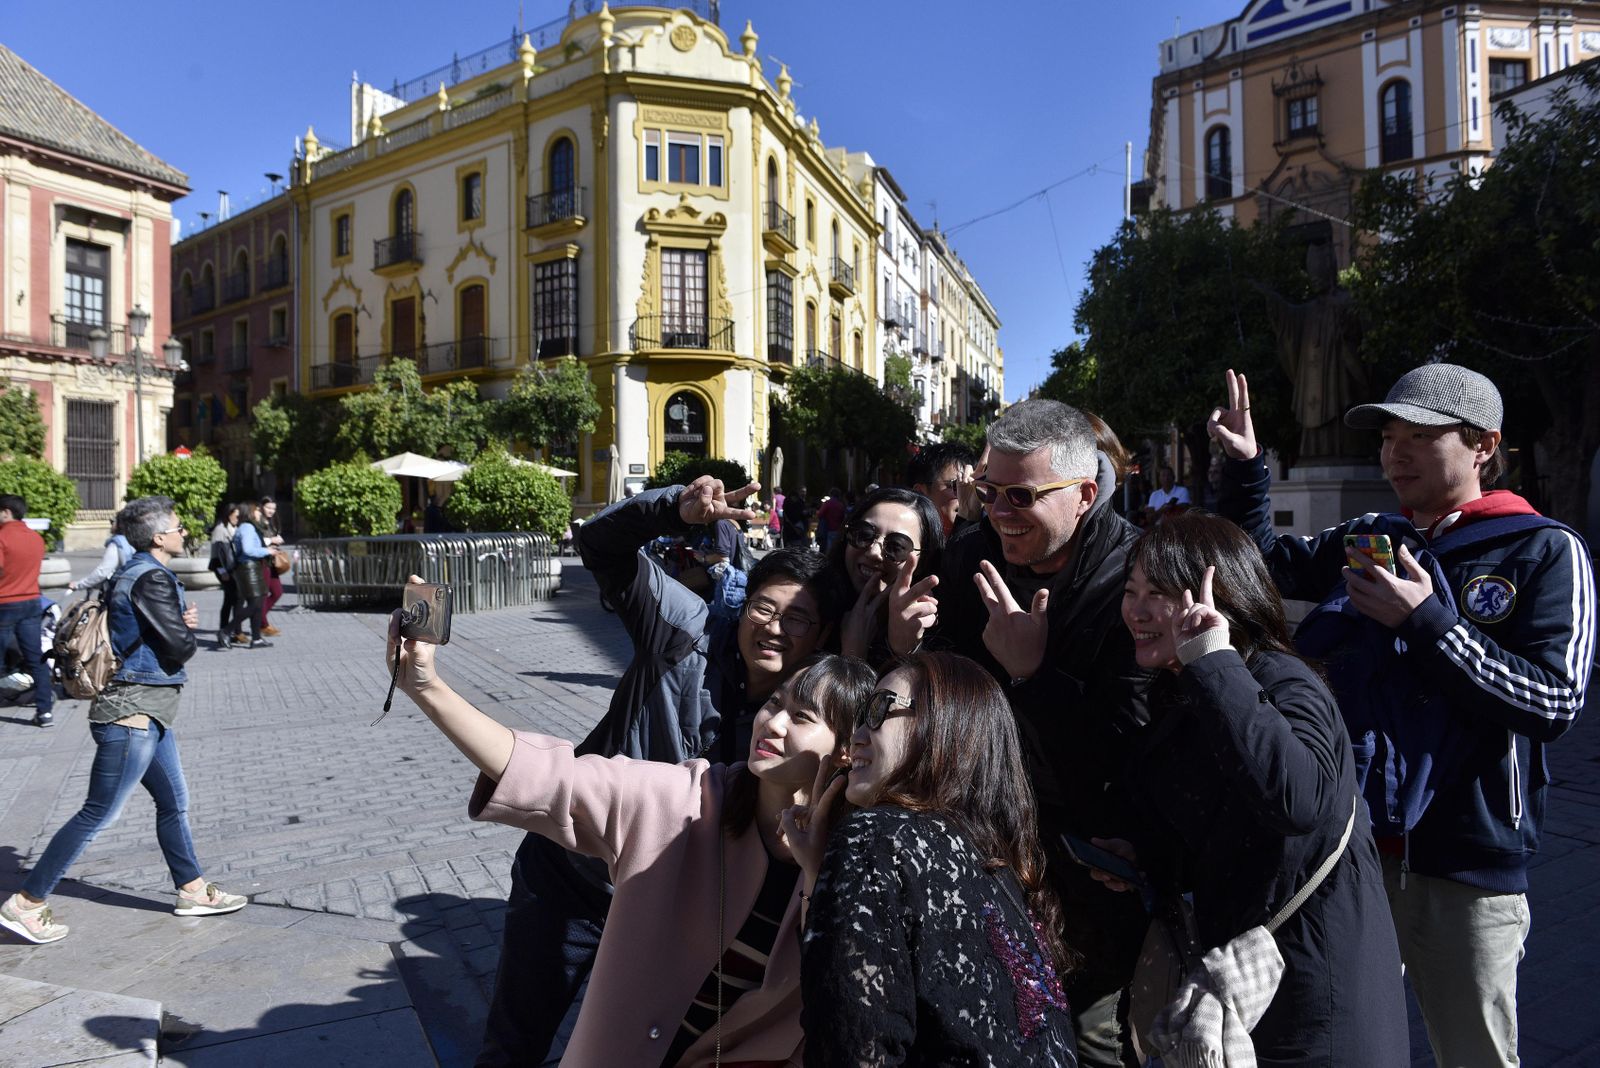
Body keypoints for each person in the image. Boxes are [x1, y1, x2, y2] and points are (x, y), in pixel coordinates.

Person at [1209, 364, 1596, 1068]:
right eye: (1389, 435)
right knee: (1349, 1046)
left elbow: (1554, 701)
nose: (1396, 452)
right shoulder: (1373, 534)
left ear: (1484, 444)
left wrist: (1430, 625)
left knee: (1473, 1053)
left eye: (1420, 434)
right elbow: (1260, 566)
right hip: (1352, 856)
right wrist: (1244, 472)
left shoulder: (1542, 550)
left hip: (1467, 869)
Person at [478, 475, 848, 1067]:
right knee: (514, 1041)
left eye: (798, 619)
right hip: (579, 881)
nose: (774, 627)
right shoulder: (685, 633)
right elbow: (600, 546)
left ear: (825, 634)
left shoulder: (809, 721)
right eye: (764, 606)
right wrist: (673, 509)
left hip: (667, 906)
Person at [391, 619, 873, 1066]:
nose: (773, 723)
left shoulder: (857, 860)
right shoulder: (688, 799)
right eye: (775, 702)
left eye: (803, 716)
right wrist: (426, 686)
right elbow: (551, 777)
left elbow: (845, 1000)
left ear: (848, 749)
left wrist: (814, 876)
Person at [1106, 510, 1407, 1064]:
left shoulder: (1279, 679)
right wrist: (1141, 856)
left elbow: (1296, 800)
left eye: (1161, 592)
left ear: (1220, 596)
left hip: (1318, 996)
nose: (1139, 611)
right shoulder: (1178, 686)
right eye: (1132, 590)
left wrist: (1214, 660)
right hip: (1243, 982)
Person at [914, 399, 1156, 1067]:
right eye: (988, 492)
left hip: (1087, 872)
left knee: (1088, 1039)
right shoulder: (969, 556)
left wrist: (1034, 675)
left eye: (1022, 495)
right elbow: (938, 699)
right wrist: (903, 645)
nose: (999, 512)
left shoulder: (1136, 578)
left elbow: (1126, 753)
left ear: (1083, 495)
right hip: (982, 847)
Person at [783, 651, 1078, 1065]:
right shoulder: (1004, 873)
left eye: (880, 709)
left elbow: (851, 1046)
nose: (857, 736)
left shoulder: (876, 837)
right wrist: (819, 872)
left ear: (947, 729)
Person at [0, 497, 247, 945]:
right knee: (99, 812)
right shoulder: (151, 576)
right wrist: (186, 627)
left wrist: (177, 621)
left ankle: (192, 890)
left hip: (150, 712)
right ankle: (26, 903)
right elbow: (179, 646)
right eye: (175, 527)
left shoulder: (131, 570)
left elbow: (149, 630)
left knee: (174, 801)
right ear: (158, 537)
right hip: (132, 713)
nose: (182, 532)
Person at [824, 486, 943, 666]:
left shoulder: (936, 633)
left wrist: (904, 650)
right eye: (864, 534)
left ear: (924, 561)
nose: (874, 552)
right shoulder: (814, 604)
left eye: (896, 546)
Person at [0, 494, 53, 728]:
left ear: (6, 511)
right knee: (35, 659)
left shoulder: (2, 537)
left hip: (4, 603)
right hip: (32, 602)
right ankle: (45, 712)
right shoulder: (36, 538)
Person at [907, 440, 979, 537]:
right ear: (920, 493)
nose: (967, 493)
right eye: (956, 485)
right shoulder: (907, 545)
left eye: (973, 485)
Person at [228, 504, 274, 649]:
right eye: (257, 510)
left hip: (253, 567)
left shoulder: (248, 526)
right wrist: (267, 551)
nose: (259, 512)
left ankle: (256, 638)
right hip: (248, 568)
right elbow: (248, 549)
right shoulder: (247, 527)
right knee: (254, 605)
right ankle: (226, 631)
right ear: (250, 513)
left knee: (259, 604)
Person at [68, 517, 134, 594]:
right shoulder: (133, 540)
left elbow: (102, 572)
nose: (111, 524)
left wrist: (78, 585)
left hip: (120, 591)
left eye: (113, 522)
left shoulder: (118, 543)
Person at [209, 503, 241, 646]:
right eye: (236, 516)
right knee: (229, 600)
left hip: (230, 569)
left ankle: (230, 631)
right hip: (223, 569)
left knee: (232, 599)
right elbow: (217, 556)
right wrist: (223, 573)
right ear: (229, 515)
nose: (238, 519)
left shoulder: (232, 528)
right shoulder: (220, 530)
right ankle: (224, 631)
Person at [257, 496, 285, 636]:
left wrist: (277, 541)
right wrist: (270, 540)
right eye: (268, 508)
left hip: (271, 561)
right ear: (261, 506)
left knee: (277, 592)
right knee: (263, 595)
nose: (271, 511)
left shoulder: (271, 521)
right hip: (262, 562)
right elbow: (255, 540)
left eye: (273, 508)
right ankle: (262, 624)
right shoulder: (257, 521)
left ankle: (258, 619)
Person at [813, 487, 846, 553]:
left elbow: (820, 515)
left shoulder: (828, 503)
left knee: (828, 550)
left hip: (828, 530)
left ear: (831, 494)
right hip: (838, 530)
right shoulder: (841, 505)